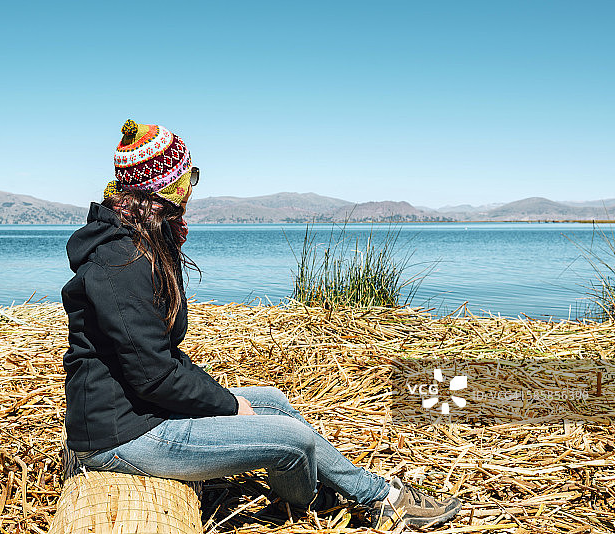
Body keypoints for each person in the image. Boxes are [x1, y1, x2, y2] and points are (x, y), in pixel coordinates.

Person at [60, 120, 461, 530]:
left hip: (144, 410)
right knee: (294, 441)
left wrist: (226, 399)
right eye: (188, 177)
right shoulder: (121, 263)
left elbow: (161, 351)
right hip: (122, 435)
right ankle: (320, 503)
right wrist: (230, 405)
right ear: (167, 189)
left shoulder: (144, 241)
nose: (192, 189)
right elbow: (155, 375)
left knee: (272, 401)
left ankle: (369, 492)